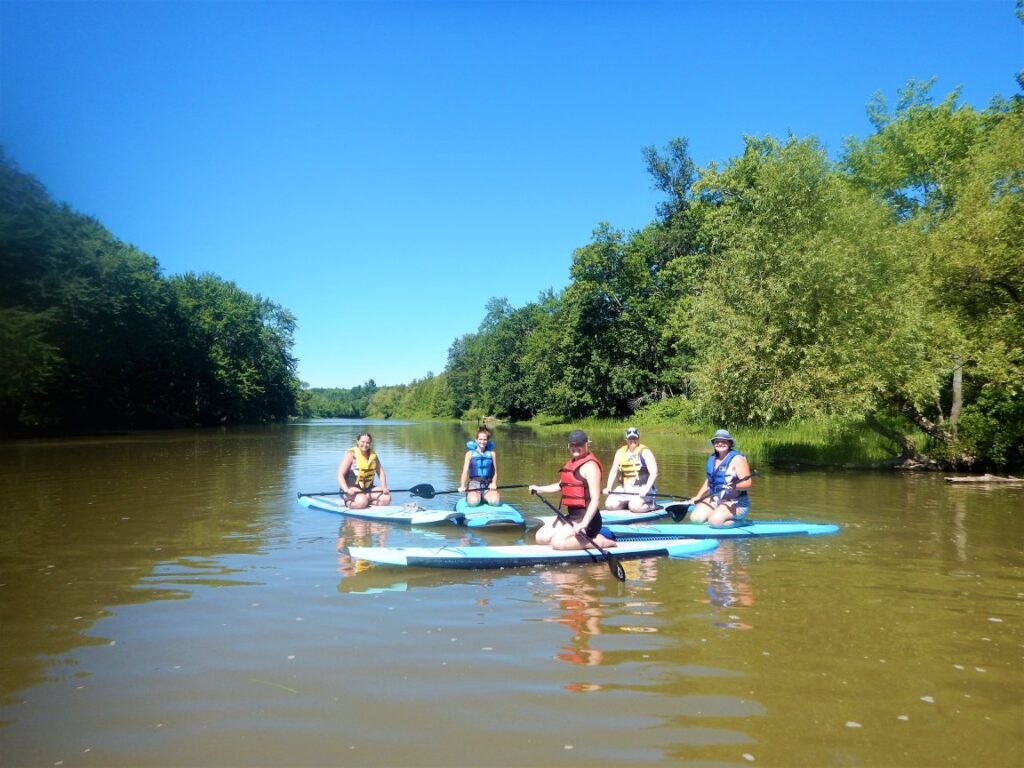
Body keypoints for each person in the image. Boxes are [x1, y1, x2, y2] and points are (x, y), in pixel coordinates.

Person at [529, 429, 616, 551]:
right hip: (573, 517)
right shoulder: (572, 463)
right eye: (572, 445)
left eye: (579, 444)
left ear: (587, 444)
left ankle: (602, 541)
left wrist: (583, 524)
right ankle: (574, 539)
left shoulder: (591, 466)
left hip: (589, 520)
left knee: (557, 543)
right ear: (568, 446)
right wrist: (539, 489)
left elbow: (595, 500)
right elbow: (560, 485)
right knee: (541, 538)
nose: (575, 447)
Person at [687, 429, 752, 527]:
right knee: (695, 519)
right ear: (714, 444)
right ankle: (717, 515)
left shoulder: (737, 459)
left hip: (736, 502)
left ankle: (741, 522)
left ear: (729, 444)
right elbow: (709, 481)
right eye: (717, 441)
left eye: (724, 441)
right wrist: (698, 496)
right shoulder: (713, 458)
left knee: (715, 522)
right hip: (716, 499)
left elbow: (748, 484)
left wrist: (734, 486)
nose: (720, 443)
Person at [603, 426, 659, 513]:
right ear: (626, 439)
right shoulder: (620, 452)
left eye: (635, 438)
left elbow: (654, 472)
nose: (633, 440)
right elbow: (614, 471)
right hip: (625, 488)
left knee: (635, 507)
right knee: (609, 505)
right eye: (630, 438)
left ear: (638, 438)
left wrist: (646, 489)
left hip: (643, 488)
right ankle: (628, 503)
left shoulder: (645, 452)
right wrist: (608, 487)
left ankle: (651, 505)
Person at [336, 432, 392, 509]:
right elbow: (340, 475)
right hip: (350, 488)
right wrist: (346, 490)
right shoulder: (351, 454)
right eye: (363, 442)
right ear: (357, 441)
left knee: (386, 499)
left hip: (367, 489)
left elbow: (381, 473)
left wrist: (384, 487)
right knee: (362, 502)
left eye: (368, 443)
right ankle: (348, 502)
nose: (365, 445)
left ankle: (365, 502)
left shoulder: (373, 456)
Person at [458, 427, 500, 506]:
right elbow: (465, 472)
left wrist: (494, 483)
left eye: (485, 439)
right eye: (480, 439)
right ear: (476, 440)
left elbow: (495, 472)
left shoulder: (492, 454)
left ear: (487, 441)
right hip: (474, 484)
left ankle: (484, 497)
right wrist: (462, 486)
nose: (482, 442)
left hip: (488, 484)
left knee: (495, 502)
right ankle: (474, 496)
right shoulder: (469, 454)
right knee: (474, 502)